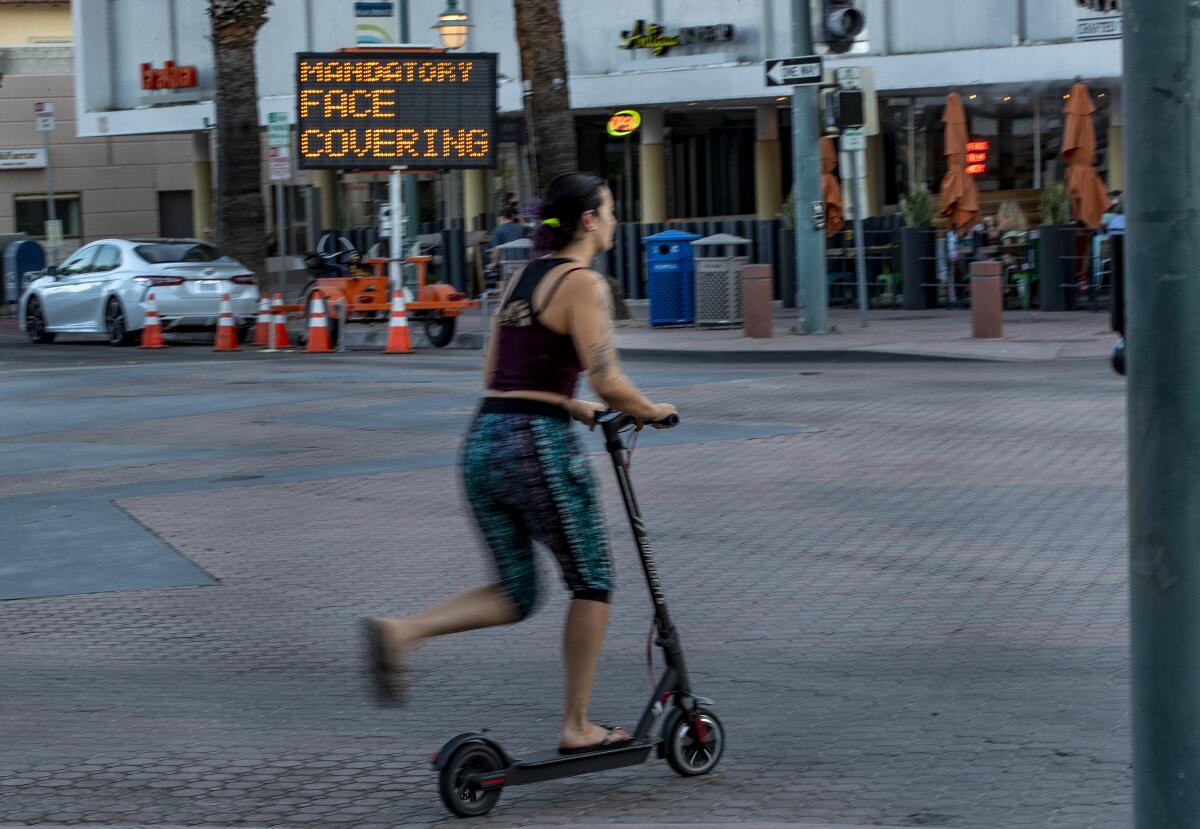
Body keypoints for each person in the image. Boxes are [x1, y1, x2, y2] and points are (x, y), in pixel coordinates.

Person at [363, 172, 678, 754]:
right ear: (589, 220)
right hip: (538, 448)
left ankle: (402, 631)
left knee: (517, 593)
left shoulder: (517, 280)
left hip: (483, 442)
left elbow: (499, 380)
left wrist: (571, 404)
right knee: (593, 581)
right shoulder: (584, 283)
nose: (615, 221)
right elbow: (609, 378)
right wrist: (652, 410)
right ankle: (577, 725)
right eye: (610, 210)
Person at [490, 205, 526, 270]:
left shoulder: (498, 230)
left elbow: (496, 249)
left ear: (502, 217)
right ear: (512, 216)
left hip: (506, 263)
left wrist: (493, 263)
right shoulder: (520, 228)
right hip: (521, 261)